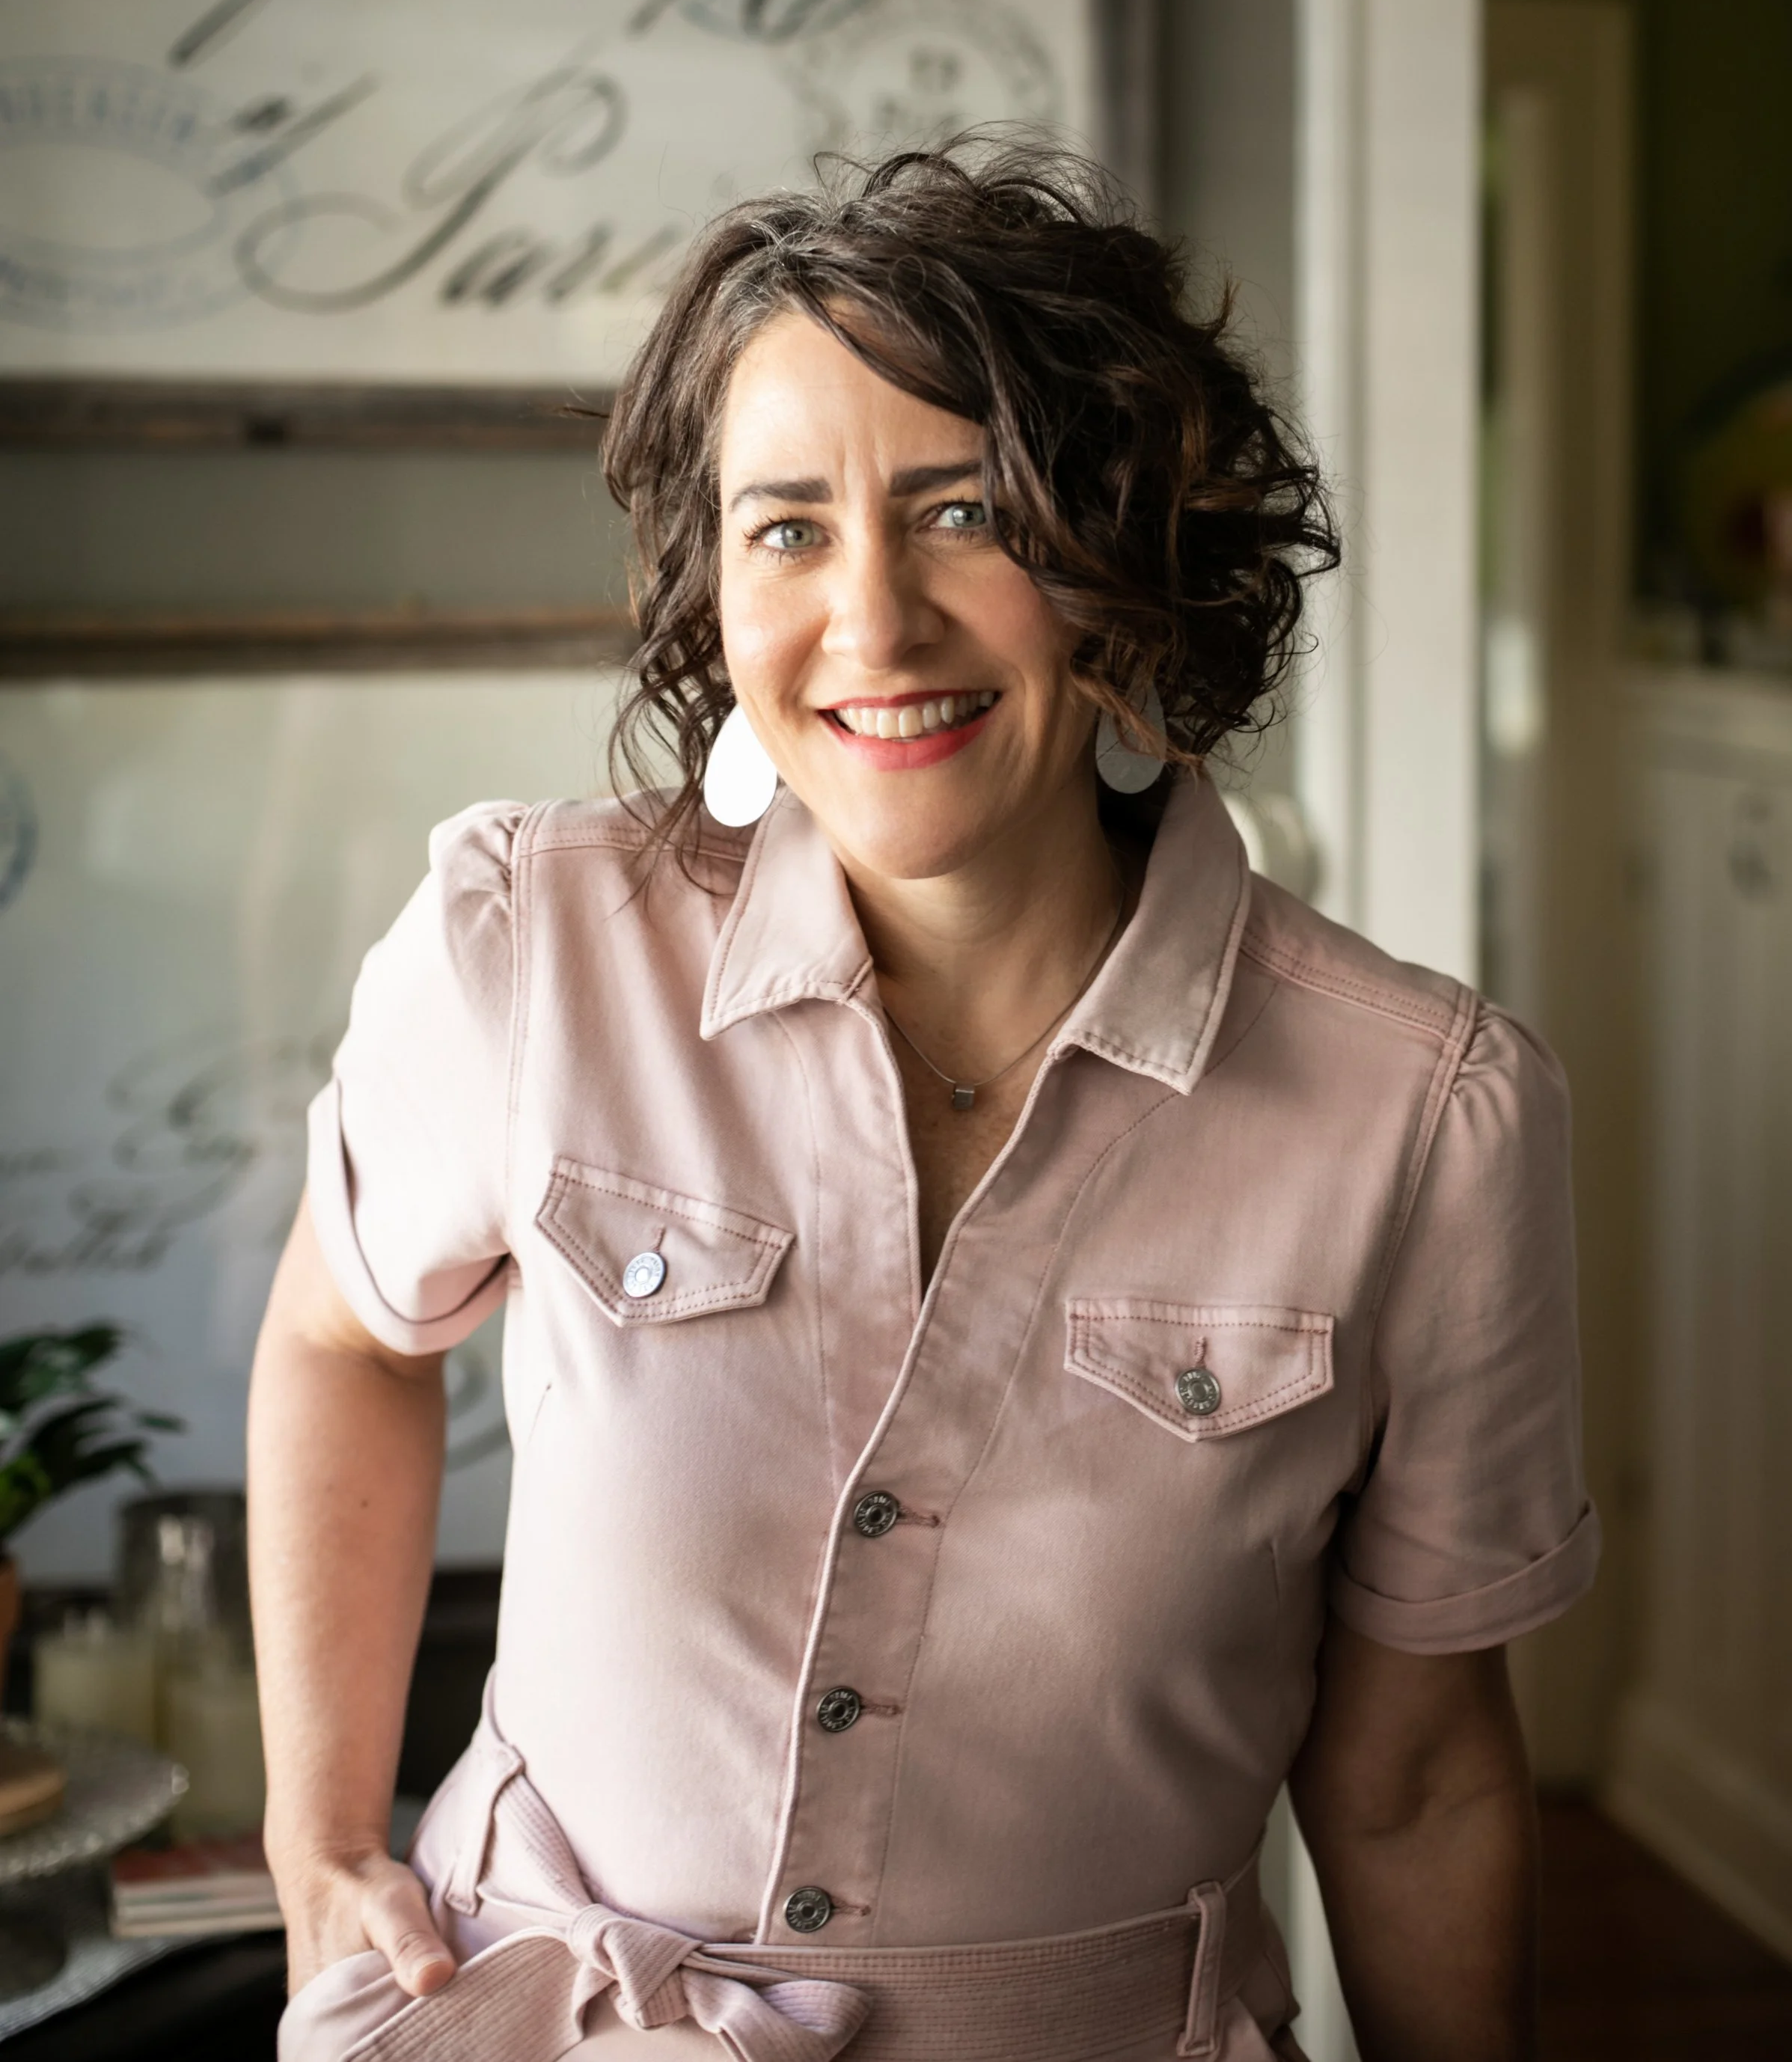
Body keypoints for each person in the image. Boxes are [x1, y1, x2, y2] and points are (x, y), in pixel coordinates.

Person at [250, 141, 1597, 2062]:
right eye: (785, 528)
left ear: (1126, 562)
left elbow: (1408, 1776)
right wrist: (315, 1839)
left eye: (962, 512)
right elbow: (338, 1335)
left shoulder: (1426, 1118)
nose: (870, 627)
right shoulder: (523, 945)